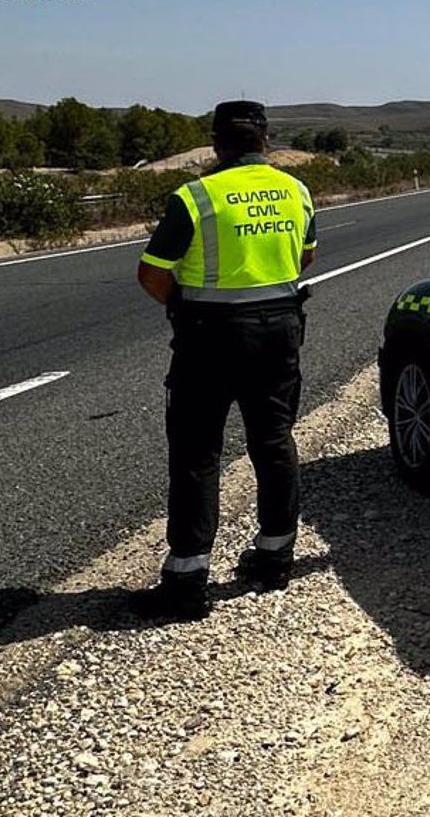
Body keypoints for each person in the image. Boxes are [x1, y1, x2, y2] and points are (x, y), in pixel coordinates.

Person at [130, 100, 317, 621]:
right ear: (265, 139)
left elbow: (152, 273)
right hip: (279, 331)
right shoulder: (296, 190)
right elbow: (306, 257)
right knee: (274, 442)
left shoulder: (195, 196)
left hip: (209, 335)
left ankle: (187, 581)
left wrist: (184, 304)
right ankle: (276, 557)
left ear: (215, 142)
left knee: (196, 454)